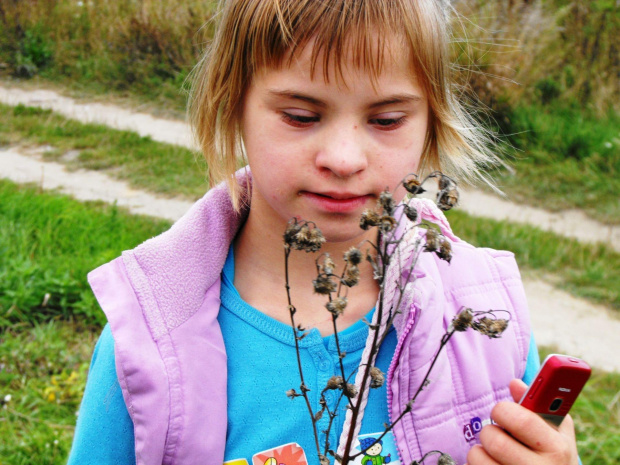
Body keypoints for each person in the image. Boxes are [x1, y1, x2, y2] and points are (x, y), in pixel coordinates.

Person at [67, 1, 581, 464]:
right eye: (301, 115)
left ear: (432, 124)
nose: (343, 158)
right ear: (232, 105)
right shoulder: (149, 348)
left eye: (385, 120)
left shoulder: (487, 319)